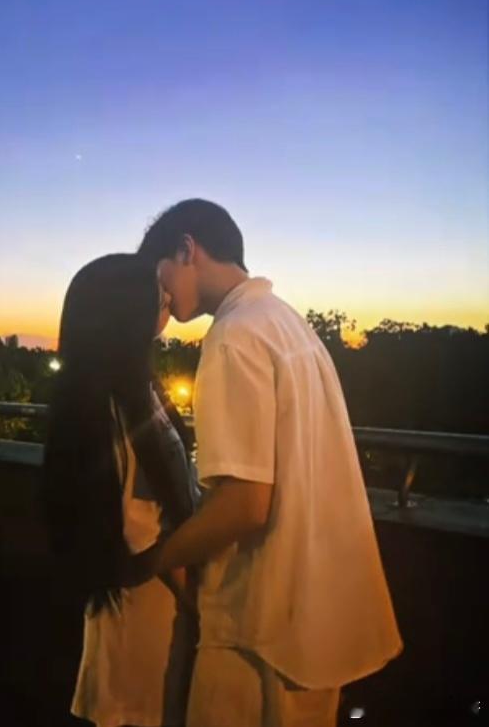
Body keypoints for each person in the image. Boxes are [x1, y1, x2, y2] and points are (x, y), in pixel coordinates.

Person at [134, 199, 403, 727]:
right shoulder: (285, 322)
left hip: (259, 629)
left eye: (158, 274)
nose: (158, 292)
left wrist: (153, 560)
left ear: (187, 250)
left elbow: (244, 503)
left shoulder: (233, 337)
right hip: (316, 620)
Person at [42, 253, 201, 727]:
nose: (168, 298)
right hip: (142, 635)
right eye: (157, 294)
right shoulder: (109, 412)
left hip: (150, 621)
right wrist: (203, 606)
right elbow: (140, 535)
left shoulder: (136, 392)